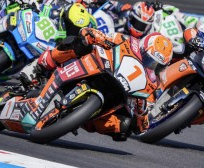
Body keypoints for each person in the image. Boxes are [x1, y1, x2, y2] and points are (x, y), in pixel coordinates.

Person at [21, 27, 174, 141]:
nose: (150, 65)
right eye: (149, 58)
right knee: (79, 43)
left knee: (125, 127)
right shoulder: (126, 40)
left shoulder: (151, 83)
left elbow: (142, 123)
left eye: (155, 64)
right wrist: (97, 38)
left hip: (113, 94)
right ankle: (41, 65)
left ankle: (79, 119)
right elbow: (91, 32)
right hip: (98, 67)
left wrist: (142, 115)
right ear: (143, 47)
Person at [78, 0, 162, 39]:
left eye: (143, 25)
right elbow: (109, 2)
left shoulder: (146, 37)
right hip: (102, 28)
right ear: (131, 16)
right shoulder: (126, 9)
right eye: (136, 23)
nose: (138, 27)